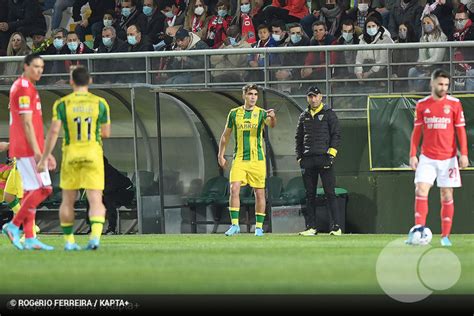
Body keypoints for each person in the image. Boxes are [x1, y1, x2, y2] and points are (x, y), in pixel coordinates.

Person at [37, 66, 111, 251]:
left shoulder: (62, 103)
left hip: (72, 154)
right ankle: (94, 238)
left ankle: (70, 241)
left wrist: (44, 157)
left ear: (71, 82)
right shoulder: (100, 103)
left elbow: (54, 131)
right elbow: (106, 133)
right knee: (96, 199)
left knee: (68, 200)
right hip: (93, 154)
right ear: (90, 81)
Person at [408, 69, 469, 247]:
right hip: (427, 157)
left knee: (446, 194)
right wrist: (413, 154)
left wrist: (463, 154)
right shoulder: (422, 105)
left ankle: (445, 236)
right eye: (440, 84)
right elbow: (416, 132)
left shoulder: (455, 104)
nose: (443, 88)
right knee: (420, 190)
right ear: (432, 83)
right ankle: (419, 232)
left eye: (446, 85)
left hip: (448, 158)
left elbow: (461, 131)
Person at [2, 54, 56, 251]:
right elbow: (26, 122)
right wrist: (38, 151)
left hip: (25, 147)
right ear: (25, 66)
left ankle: (31, 237)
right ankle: (14, 226)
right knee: (45, 188)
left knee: (30, 191)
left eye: (41, 67)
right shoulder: (24, 87)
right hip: (26, 148)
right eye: (35, 66)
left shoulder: (26, 87)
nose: (39, 70)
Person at [217, 83, 276, 237]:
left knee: (259, 193)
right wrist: (220, 154)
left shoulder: (262, 113)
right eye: (250, 94)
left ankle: (258, 228)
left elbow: (272, 125)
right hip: (240, 159)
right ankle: (235, 225)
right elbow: (225, 135)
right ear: (244, 95)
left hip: (257, 160)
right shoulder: (234, 113)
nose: (253, 97)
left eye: (255, 94)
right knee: (234, 188)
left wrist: (273, 117)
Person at [295, 86, 341, 236]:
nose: (313, 99)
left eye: (315, 96)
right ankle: (311, 227)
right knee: (310, 195)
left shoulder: (329, 114)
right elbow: (299, 138)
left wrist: (331, 154)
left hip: (324, 158)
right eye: (310, 96)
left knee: (330, 193)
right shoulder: (303, 116)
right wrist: (299, 157)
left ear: (321, 97)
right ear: (308, 98)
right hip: (308, 160)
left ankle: (336, 227)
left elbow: (336, 135)